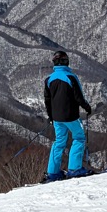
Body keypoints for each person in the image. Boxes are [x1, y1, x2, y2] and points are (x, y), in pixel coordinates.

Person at [43, 51, 93, 181]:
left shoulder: (49, 80)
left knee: (59, 142)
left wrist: (50, 116)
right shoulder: (71, 77)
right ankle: (74, 169)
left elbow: (47, 101)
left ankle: (52, 173)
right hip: (71, 116)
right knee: (79, 138)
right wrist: (87, 108)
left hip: (57, 118)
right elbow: (79, 97)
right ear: (66, 62)